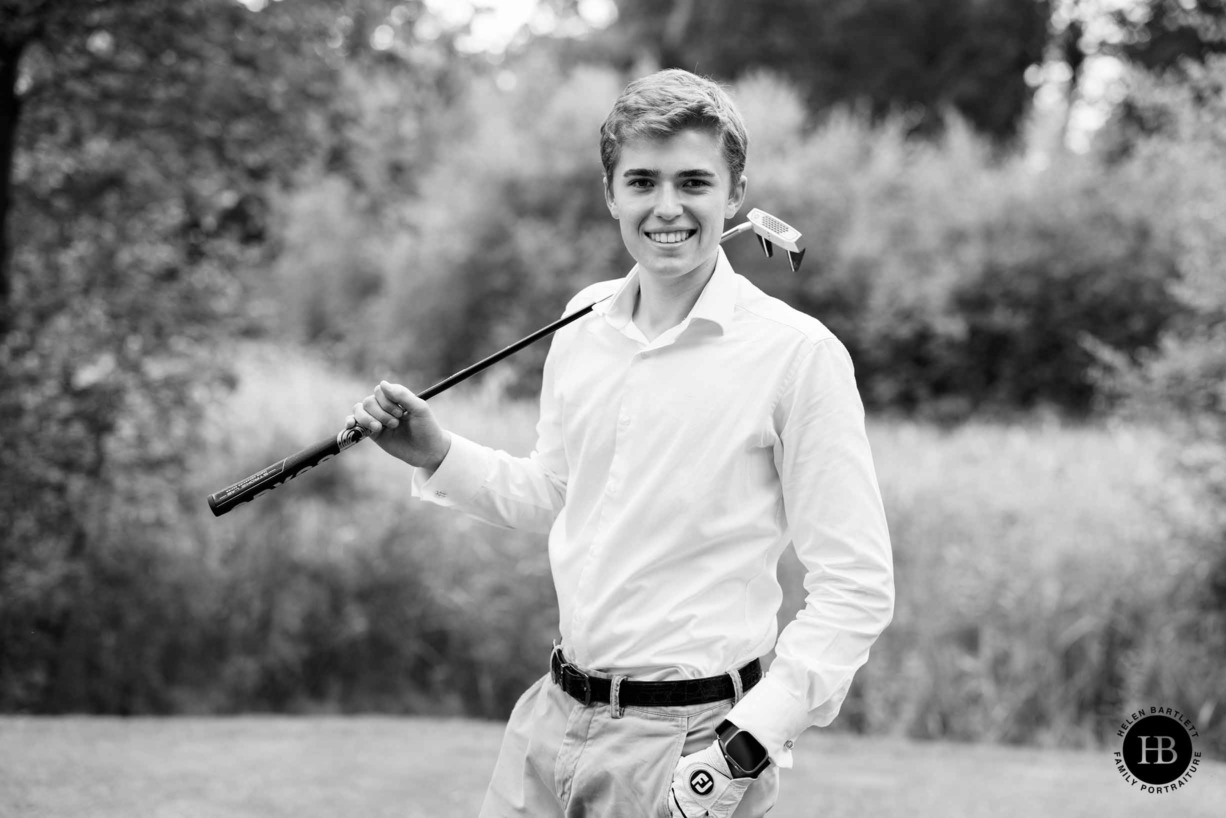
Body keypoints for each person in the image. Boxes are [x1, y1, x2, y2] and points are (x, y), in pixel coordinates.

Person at [346, 68, 894, 818]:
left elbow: (856, 587)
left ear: (735, 193)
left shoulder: (798, 355)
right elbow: (557, 497)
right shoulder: (584, 321)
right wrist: (438, 453)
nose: (667, 207)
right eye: (642, 182)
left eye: (694, 183)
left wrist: (742, 747)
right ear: (611, 195)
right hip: (551, 719)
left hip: (693, 745)